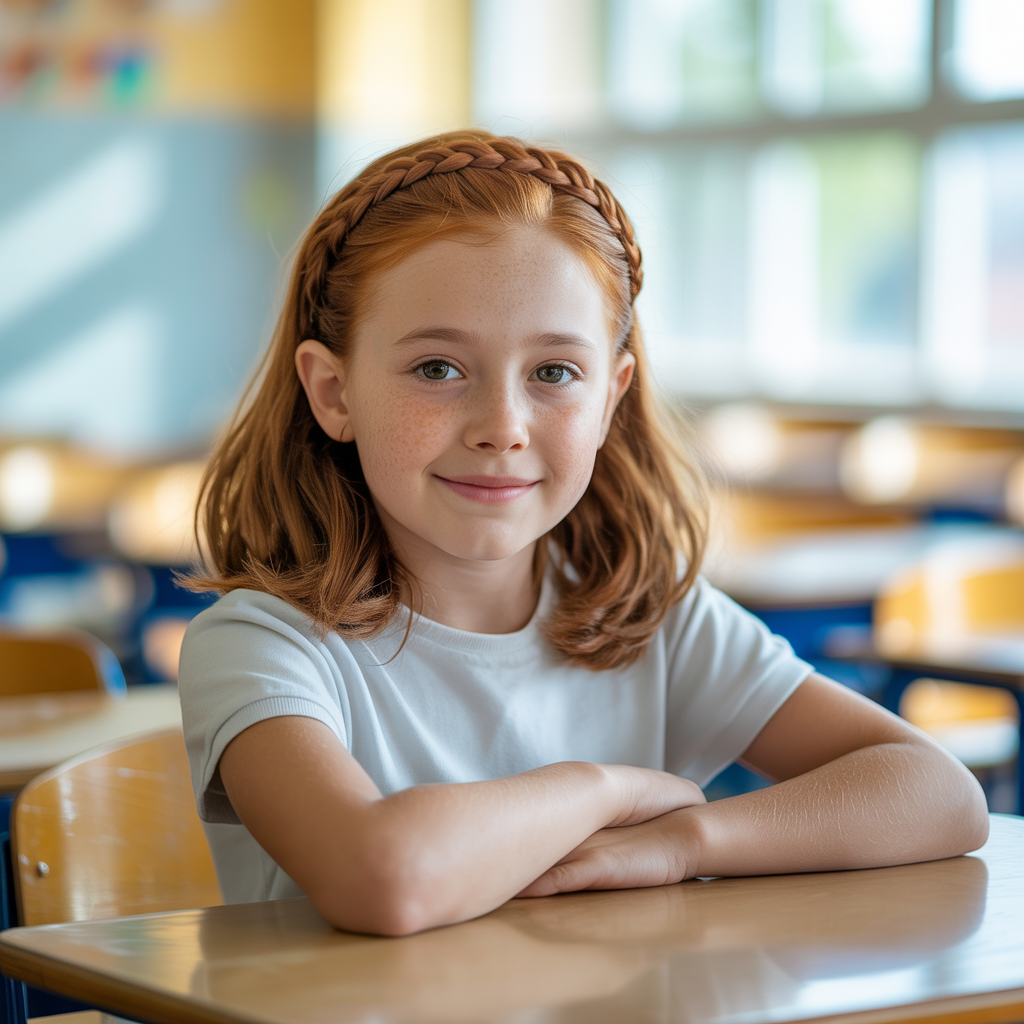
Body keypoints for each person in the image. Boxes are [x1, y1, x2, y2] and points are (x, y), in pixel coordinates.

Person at [178, 131, 988, 938]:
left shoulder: (650, 619)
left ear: (611, 397)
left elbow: (939, 793)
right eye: (437, 368)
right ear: (333, 391)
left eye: (554, 373)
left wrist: (682, 841)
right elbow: (384, 878)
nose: (503, 427)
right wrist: (607, 792)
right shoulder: (260, 646)